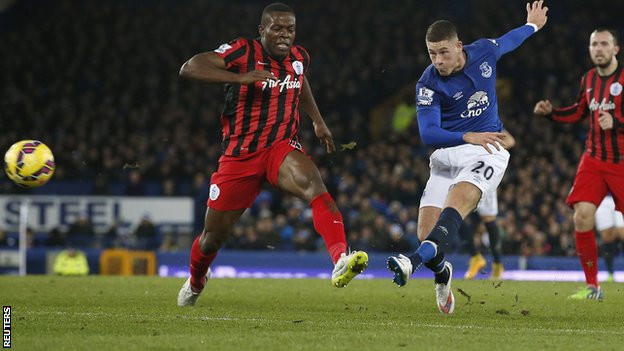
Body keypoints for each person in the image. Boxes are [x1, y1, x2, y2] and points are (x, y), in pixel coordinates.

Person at [177, 3, 368, 307]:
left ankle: (340, 259)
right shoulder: (242, 52)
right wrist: (242, 78)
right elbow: (190, 67)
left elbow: (300, 78)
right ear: (262, 30)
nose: (284, 35)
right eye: (277, 28)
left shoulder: (299, 57)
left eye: (290, 29)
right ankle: (197, 279)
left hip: (280, 147)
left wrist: (317, 120)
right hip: (239, 156)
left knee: (314, 185)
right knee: (212, 238)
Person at [387, 1, 548, 314]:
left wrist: (532, 26)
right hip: (447, 155)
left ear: (458, 46)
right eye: (432, 53)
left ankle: (412, 261)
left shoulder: (483, 52)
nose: (438, 61)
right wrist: (464, 135)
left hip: (487, 149)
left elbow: (508, 41)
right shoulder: (428, 83)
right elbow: (428, 133)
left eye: (444, 52)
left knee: (456, 206)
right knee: (427, 235)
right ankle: (441, 272)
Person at [534, 28, 624, 300]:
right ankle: (592, 286)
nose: (598, 49)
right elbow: (577, 111)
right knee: (582, 216)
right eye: (594, 44)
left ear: (615, 49)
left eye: (604, 44)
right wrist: (552, 114)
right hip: (594, 159)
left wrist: (618, 123)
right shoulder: (588, 79)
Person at [463, 129, 516, 280]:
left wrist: (492, 149)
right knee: (454, 214)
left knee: (489, 221)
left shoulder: (488, 123)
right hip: (465, 174)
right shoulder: (463, 121)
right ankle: (475, 257)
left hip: (484, 175)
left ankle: (497, 264)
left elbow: (510, 141)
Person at [595, 195, 623, 283]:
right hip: (602, 198)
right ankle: (610, 273)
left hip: (620, 193)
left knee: (622, 232)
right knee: (607, 237)